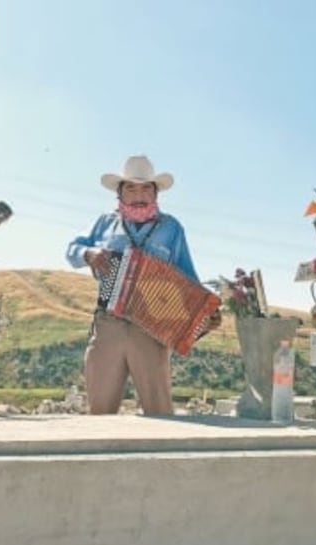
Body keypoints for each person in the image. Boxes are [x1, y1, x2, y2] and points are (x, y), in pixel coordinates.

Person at [65, 155, 219, 415]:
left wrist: (205, 309)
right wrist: (90, 254)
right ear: (120, 193)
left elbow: (188, 277)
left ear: (155, 192)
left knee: (159, 410)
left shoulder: (171, 228)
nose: (139, 194)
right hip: (108, 324)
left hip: (152, 329)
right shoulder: (104, 223)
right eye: (131, 188)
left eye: (146, 187)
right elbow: (72, 250)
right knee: (100, 411)